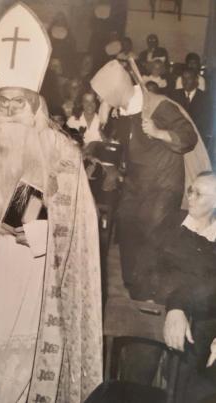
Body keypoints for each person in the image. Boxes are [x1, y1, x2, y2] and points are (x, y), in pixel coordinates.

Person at [0, 4, 102, 403]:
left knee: (24, 355)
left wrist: (26, 227)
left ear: (36, 104)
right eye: (2, 103)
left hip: (37, 270)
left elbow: (69, 222)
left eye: (17, 102)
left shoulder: (59, 151)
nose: (7, 111)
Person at [90, 60, 208, 386]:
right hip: (136, 193)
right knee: (131, 262)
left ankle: (155, 320)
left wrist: (158, 131)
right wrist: (102, 115)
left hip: (163, 194)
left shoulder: (161, 106)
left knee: (152, 263)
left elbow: (186, 138)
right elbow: (110, 139)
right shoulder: (124, 111)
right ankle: (141, 307)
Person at [162, 172, 216, 403]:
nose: (190, 197)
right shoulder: (171, 223)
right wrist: (176, 306)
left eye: (198, 193)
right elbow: (151, 270)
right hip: (159, 307)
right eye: (190, 191)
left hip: (203, 322)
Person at [171, 68, 211, 147]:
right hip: (177, 137)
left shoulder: (206, 99)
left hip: (198, 139)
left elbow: (205, 123)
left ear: (196, 80)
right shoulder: (174, 95)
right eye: (183, 78)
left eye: (189, 78)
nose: (185, 82)